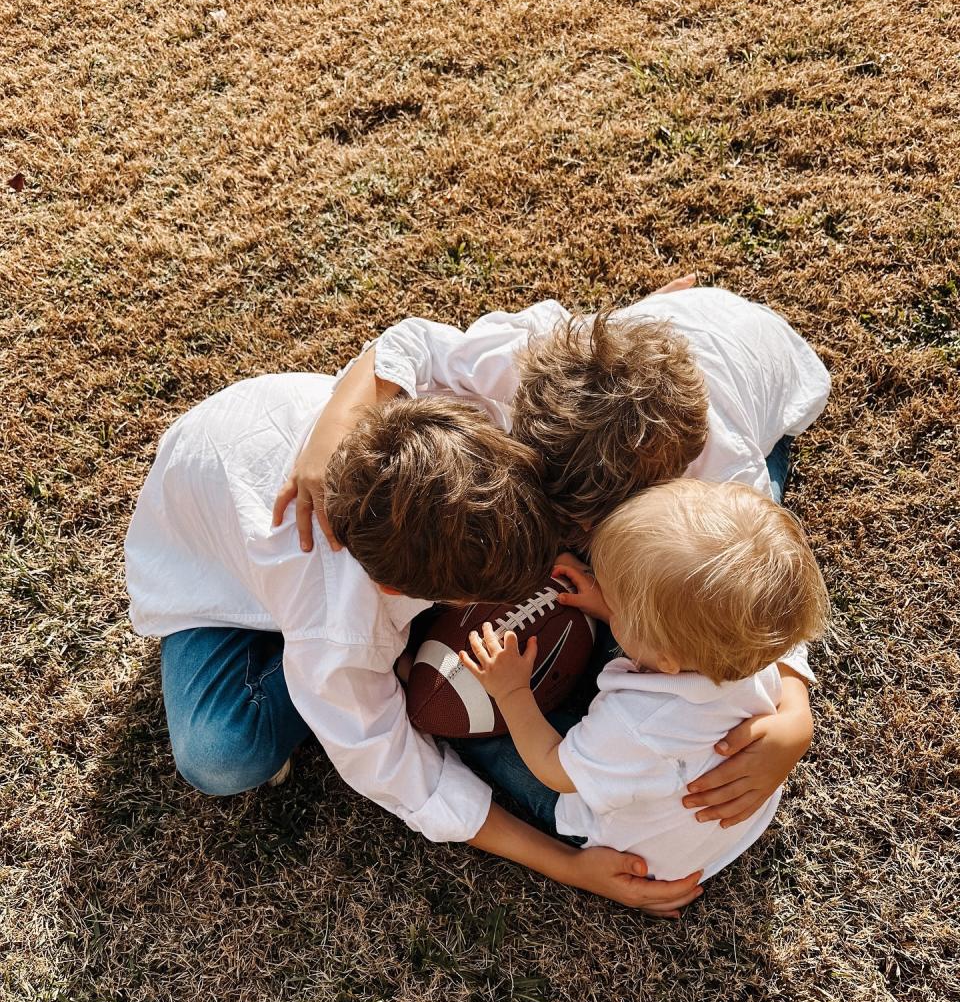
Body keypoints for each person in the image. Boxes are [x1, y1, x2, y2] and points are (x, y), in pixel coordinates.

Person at [126, 375, 702, 916]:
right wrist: (570, 865)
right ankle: (356, 660)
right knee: (221, 755)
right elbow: (401, 773)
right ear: (394, 590)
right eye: (477, 597)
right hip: (214, 577)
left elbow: (409, 343)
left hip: (264, 439)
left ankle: (393, 653)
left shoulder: (471, 423)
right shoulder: (341, 629)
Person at [276, 278, 830, 828]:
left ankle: (661, 321)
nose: (560, 538)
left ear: (667, 486)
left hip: (761, 389)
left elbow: (759, 583)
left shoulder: (720, 470)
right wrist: (333, 429)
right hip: (662, 350)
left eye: (583, 526)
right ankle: (655, 317)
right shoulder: (525, 357)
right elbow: (412, 342)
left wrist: (794, 706)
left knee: (687, 613)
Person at [459, 479, 830, 880]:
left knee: (494, 744)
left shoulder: (636, 725)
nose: (606, 595)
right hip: (720, 827)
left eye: (618, 604)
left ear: (666, 659)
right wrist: (613, 608)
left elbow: (556, 772)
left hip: (633, 849)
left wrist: (512, 691)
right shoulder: (750, 649)